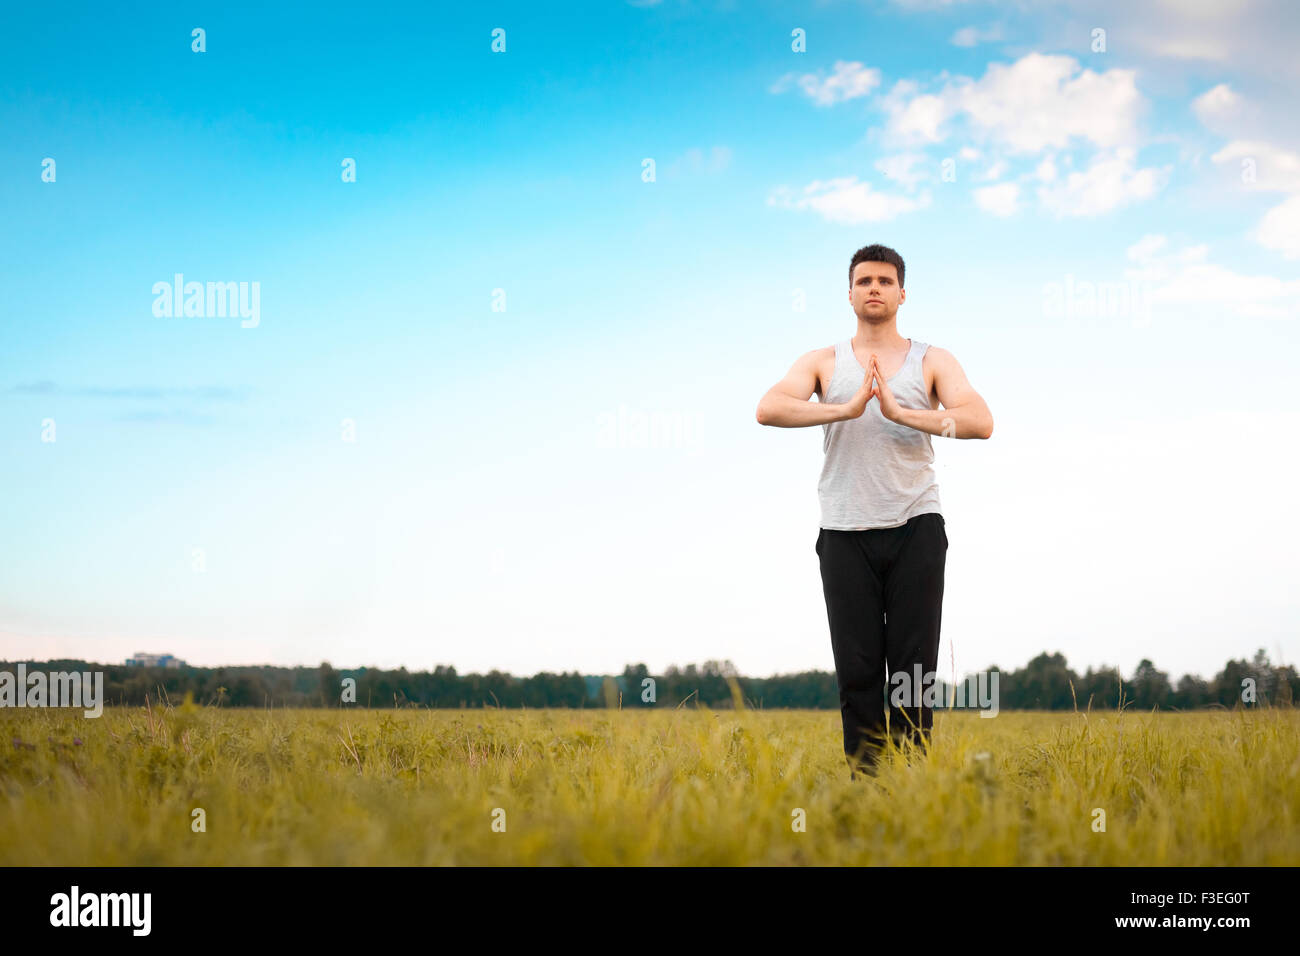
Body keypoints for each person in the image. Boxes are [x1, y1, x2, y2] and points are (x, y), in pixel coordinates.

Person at [755, 244, 994, 779]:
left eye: (885, 281)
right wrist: (844, 408)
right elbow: (768, 408)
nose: (874, 289)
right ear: (849, 293)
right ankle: (865, 785)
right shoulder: (822, 361)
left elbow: (979, 421)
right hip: (843, 530)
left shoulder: (932, 359)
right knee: (858, 666)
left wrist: (901, 413)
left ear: (902, 293)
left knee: (912, 667)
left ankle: (911, 781)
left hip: (916, 525)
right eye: (864, 281)